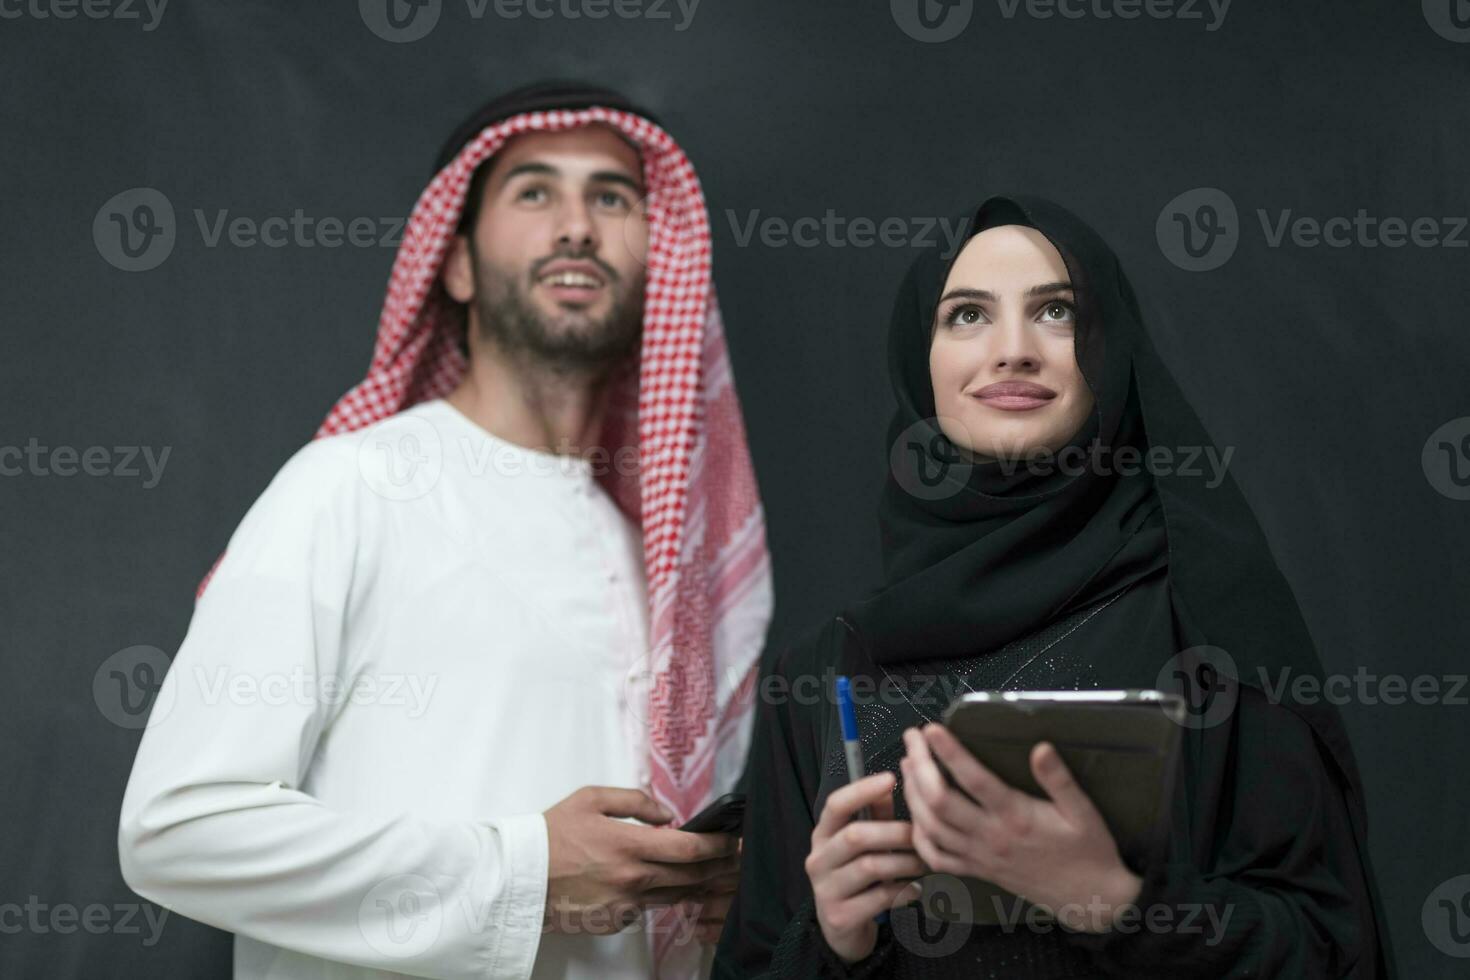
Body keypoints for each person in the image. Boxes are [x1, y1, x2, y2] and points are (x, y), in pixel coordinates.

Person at [117, 81, 774, 980]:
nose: (577, 226)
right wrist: (525, 870)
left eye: (612, 198)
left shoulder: (659, 571)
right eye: (534, 191)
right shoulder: (351, 489)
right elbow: (176, 831)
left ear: (664, 263)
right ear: (455, 264)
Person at [713, 194, 1396, 978]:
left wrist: (1118, 903)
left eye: (1057, 314)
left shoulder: (1209, 626)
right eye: (966, 315)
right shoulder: (823, 673)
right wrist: (833, 940)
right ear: (918, 360)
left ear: (1110, 353)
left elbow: (1335, 953)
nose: (1012, 350)